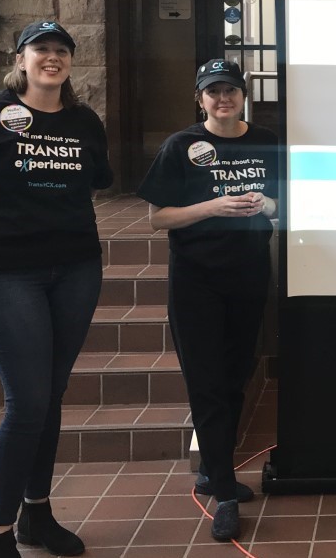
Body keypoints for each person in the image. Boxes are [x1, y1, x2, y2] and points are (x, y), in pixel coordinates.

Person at [0, 21, 112, 558]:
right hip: (4, 272)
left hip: (75, 270)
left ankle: (37, 513)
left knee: (51, 395)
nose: (52, 58)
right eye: (41, 49)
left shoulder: (84, 121)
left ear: (70, 62)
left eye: (61, 50)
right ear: (20, 59)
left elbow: (92, 185)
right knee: (28, 401)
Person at [136, 59, 279, 543]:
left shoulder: (265, 142)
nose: (223, 99)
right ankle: (223, 493)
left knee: (235, 377)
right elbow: (158, 218)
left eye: (231, 90)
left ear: (243, 96)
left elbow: (288, 202)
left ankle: (213, 470)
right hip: (196, 279)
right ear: (200, 99)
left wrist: (267, 205)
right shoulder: (180, 146)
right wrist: (213, 206)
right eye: (213, 91)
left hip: (249, 273)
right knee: (207, 382)